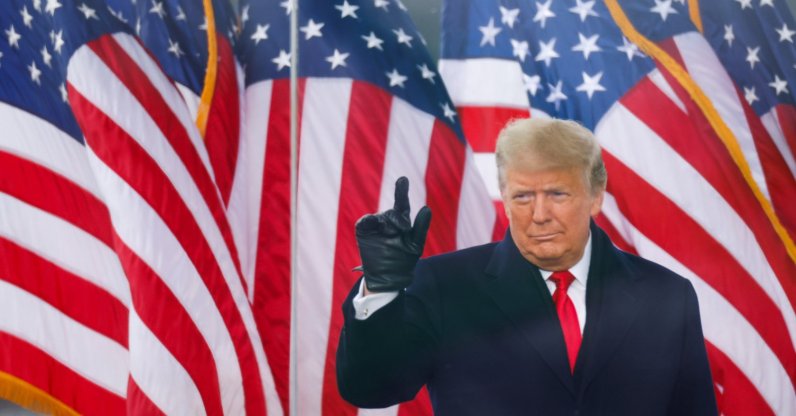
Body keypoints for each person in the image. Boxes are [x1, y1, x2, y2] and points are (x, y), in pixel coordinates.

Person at [336, 117, 718, 415]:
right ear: (503, 196)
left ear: (595, 196)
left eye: (556, 194)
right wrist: (382, 287)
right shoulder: (442, 285)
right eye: (522, 196)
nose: (539, 215)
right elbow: (372, 389)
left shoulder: (666, 294)